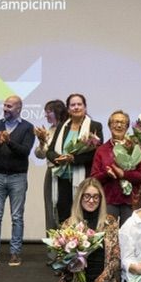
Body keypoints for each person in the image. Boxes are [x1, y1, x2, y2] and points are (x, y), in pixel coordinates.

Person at [53, 177, 121, 282]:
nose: (91, 200)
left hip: (102, 279)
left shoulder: (110, 222)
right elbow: (60, 259)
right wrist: (70, 261)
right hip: (75, 280)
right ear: (80, 197)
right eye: (87, 196)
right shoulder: (69, 224)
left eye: (96, 197)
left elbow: (115, 259)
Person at [0, 95, 34, 267]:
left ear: (19, 108)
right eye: (4, 105)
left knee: (17, 217)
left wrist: (9, 142)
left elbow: (25, 151)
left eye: (9, 106)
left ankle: (15, 253)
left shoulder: (27, 127)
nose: (5, 108)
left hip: (18, 177)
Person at [47, 92, 104, 223]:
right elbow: (50, 151)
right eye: (73, 105)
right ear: (68, 109)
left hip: (84, 178)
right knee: (64, 215)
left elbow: (97, 153)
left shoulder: (94, 126)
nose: (76, 107)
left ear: (85, 107)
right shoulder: (62, 126)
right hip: (62, 178)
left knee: (83, 215)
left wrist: (74, 159)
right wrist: (58, 158)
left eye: (79, 104)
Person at [90, 110, 141, 225]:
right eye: (115, 122)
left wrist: (124, 174)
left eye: (123, 123)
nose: (119, 125)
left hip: (131, 201)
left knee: (130, 234)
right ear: (109, 126)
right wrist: (106, 174)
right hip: (109, 201)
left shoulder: (134, 148)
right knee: (108, 234)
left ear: (127, 127)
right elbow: (94, 178)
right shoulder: (101, 150)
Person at [33, 99, 67, 231]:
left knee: (64, 207)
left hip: (66, 171)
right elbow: (40, 155)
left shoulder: (68, 128)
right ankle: (52, 240)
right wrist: (42, 142)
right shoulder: (49, 130)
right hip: (51, 171)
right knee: (50, 208)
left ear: (57, 112)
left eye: (48, 112)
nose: (46, 115)